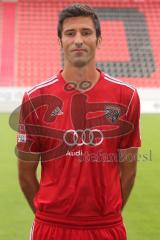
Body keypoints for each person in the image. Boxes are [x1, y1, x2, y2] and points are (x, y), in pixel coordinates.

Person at [17, 3, 141, 240]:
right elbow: (25, 174)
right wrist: (48, 215)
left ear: (99, 40)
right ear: (60, 41)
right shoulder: (36, 99)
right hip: (51, 227)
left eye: (86, 32)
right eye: (70, 33)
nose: (78, 40)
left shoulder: (126, 96)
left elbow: (129, 171)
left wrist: (107, 214)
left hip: (106, 226)